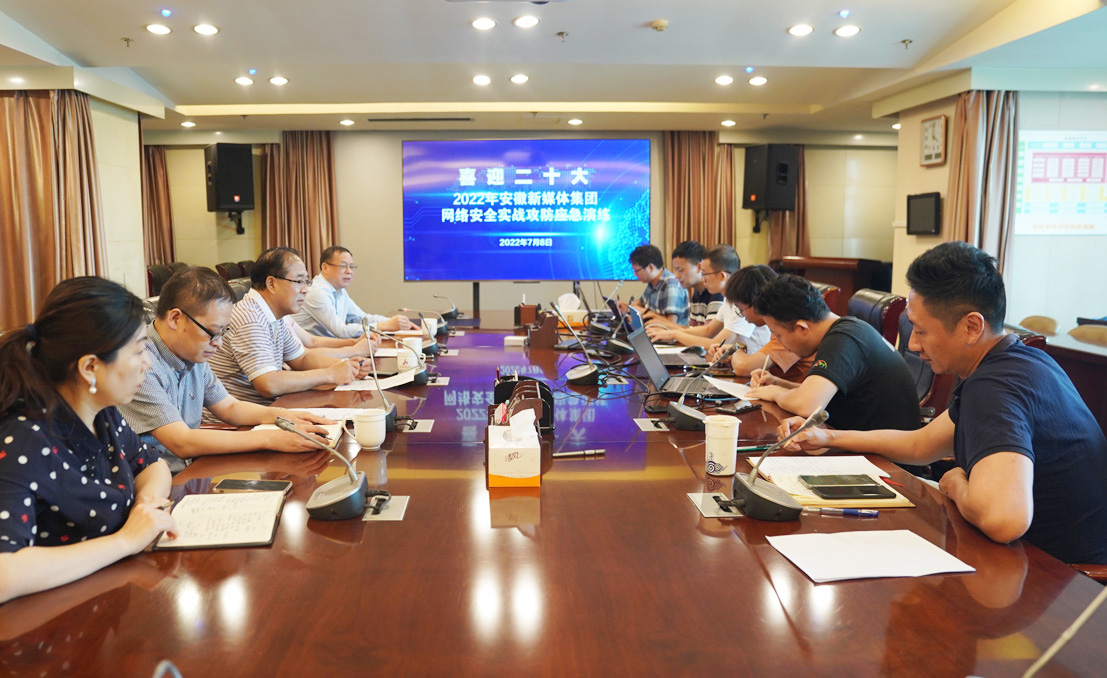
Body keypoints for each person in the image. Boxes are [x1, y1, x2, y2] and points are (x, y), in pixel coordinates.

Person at [779, 242, 1107, 564]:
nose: (912, 344)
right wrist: (828, 437)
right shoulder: (1019, 361)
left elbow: (1004, 519)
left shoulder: (994, 386)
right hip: (1041, 564)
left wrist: (956, 483)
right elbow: (921, 444)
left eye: (921, 331)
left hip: (1063, 576)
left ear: (971, 327)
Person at [0, 277, 179, 603]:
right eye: (139, 351)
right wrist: (126, 540)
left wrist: (147, 506)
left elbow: (151, 465)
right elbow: (4, 572)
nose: (147, 363)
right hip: (49, 618)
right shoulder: (24, 441)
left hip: (108, 594)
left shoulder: (102, 413)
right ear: (90, 367)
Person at [119, 267, 341, 473]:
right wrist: (271, 438)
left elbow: (230, 407)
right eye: (213, 332)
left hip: (189, 470)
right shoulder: (141, 364)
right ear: (176, 318)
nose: (219, 342)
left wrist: (286, 416)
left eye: (224, 332)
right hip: (155, 481)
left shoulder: (192, 352)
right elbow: (182, 442)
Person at [746, 274, 920, 434]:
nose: (780, 342)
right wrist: (777, 383)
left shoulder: (843, 339)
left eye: (778, 335)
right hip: (860, 439)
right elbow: (815, 393)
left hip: (882, 455)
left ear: (802, 328)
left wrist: (776, 393)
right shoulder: (847, 330)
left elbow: (807, 404)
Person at [209, 247, 376, 406]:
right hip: (239, 420)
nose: (305, 290)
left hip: (269, 408)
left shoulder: (274, 315)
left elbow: (302, 358)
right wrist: (330, 374)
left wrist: (347, 366)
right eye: (299, 281)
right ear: (271, 284)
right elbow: (269, 384)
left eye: (306, 281)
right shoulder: (250, 317)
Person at [645, 246, 769, 353]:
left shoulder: (742, 301)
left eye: (704, 273)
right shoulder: (728, 299)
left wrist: (674, 334)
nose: (702, 279)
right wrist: (668, 331)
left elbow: (716, 342)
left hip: (753, 365)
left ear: (722, 276)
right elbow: (708, 330)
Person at [713, 265, 813, 382]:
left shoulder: (788, 327)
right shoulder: (776, 326)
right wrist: (733, 354)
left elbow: (743, 368)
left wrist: (736, 349)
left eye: (740, 309)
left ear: (756, 302)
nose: (742, 315)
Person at [293, 246, 415, 338]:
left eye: (351, 267)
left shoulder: (340, 291)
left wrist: (394, 322)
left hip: (330, 349)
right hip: (310, 354)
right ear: (325, 267)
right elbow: (340, 331)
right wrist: (384, 326)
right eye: (343, 266)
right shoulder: (316, 292)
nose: (349, 271)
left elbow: (361, 318)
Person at [626, 244, 689, 325]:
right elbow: (640, 303)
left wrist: (646, 312)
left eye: (636, 270)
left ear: (650, 267)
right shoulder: (652, 282)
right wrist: (626, 307)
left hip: (669, 332)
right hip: (652, 330)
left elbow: (671, 323)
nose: (635, 274)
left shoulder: (671, 285)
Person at [667, 241, 721, 326]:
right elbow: (692, 329)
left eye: (680, 270)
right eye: (675, 270)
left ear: (699, 267)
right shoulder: (697, 293)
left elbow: (708, 331)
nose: (676, 276)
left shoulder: (716, 292)